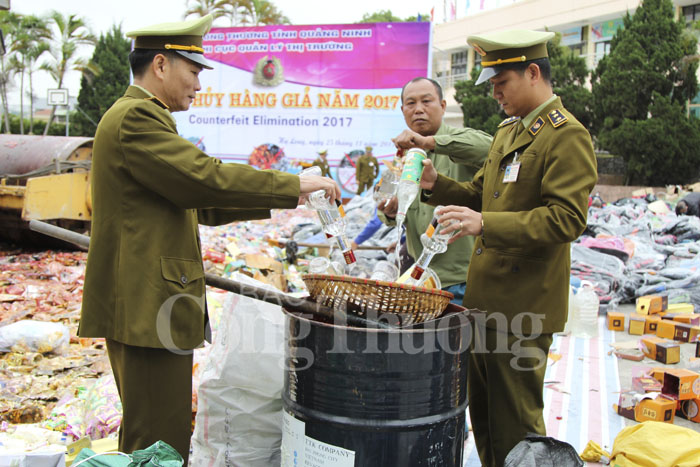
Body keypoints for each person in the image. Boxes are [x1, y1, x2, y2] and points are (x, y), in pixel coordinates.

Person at [78, 15, 339, 463]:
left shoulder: (146, 118)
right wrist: (295, 184)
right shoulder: (137, 117)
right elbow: (205, 180)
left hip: (148, 305)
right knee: (158, 443)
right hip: (145, 308)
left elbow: (202, 201)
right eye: (194, 71)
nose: (199, 84)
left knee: (154, 432)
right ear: (161, 64)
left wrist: (289, 198)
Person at [418, 30, 597, 466]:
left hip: (523, 309)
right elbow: (481, 194)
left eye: (502, 83)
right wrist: (436, 186)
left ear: (533, 73)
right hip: (486, 303)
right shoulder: (508, 132)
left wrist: (484, 224)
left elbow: (566, 218)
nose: (495, 93)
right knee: (486, 420)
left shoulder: (565, 135)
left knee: (517, 426)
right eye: (493, 85)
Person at [377, 77, 492, 304]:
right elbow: (386, 204)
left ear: (442, 106)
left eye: (426, 101)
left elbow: (490, 147)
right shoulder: (403, 156)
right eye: (411, 103)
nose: (418, 109)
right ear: (403, 111)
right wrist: (389, 211)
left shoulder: (459, 143)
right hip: (419, 278)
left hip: (460, 279)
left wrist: (430, 142)